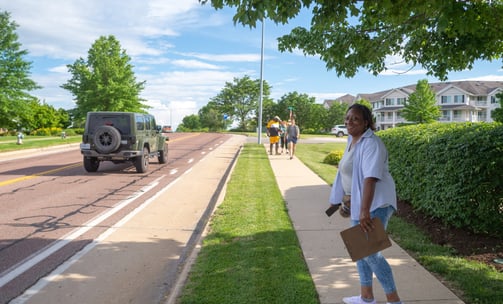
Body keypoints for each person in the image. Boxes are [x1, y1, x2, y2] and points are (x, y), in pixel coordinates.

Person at [328, 104, 402, 304]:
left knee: (369, 252)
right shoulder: (353, 140)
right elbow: (355, 175)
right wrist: (348, 199)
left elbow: (370, 178)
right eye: (348, 118)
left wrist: (364, 211)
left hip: (377, 203)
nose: (349, 122)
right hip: (363, 201)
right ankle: (366, 297)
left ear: (367, 122)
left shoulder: (372, 144)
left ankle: (394, 301)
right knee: (359, 250)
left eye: (355, 119)